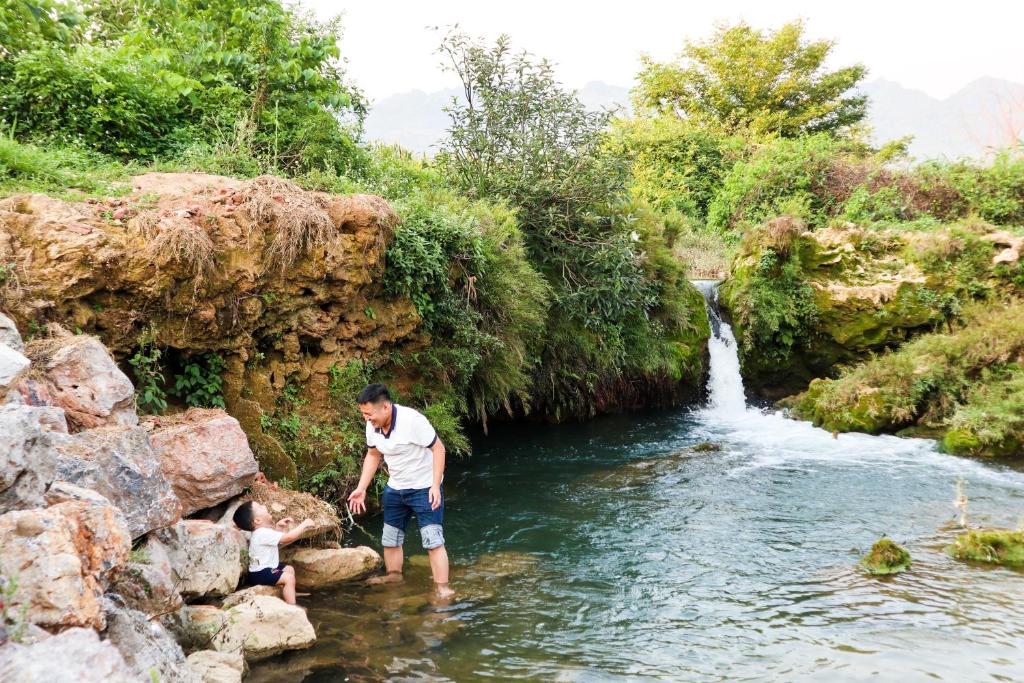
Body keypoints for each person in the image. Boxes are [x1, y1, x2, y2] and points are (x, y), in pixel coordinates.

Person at [347, 383, 453, 598]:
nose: (366, 419)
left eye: (369, 414)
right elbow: (373, 455)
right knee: (390, 539)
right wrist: (361, 487)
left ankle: (442, 588)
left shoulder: (412, 421)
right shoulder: (372, 425)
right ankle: (394, 576)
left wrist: (435, 485)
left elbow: (438, 448)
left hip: (424, 487)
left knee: (433, 541)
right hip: (396, 487)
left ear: (386, 407)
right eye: (364, 414)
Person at [232, 501, 314, 605]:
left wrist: (279, 527)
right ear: (258, 520)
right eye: (260, 507)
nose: (264, 505)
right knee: (289, 578)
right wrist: (304, 525)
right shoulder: (262, 533)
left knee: (289, 569)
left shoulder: (261, 532)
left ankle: (291, 592)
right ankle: (293, 607)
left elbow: (273, 540)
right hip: (261, 573)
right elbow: (288, 538)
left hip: (266, 568)